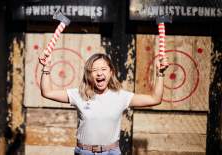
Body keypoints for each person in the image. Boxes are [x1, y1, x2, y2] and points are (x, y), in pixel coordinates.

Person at [38, 53, 168, 155]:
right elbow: (47, 92)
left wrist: (160, 74)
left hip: (112, 152)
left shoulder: (121, 96)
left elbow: (155, 99)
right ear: (89, 74)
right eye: (94, 70)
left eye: (104, 69)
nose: (99, 73)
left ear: (111, 72)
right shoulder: (79, 94)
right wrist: (46, 68)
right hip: (84, 152)